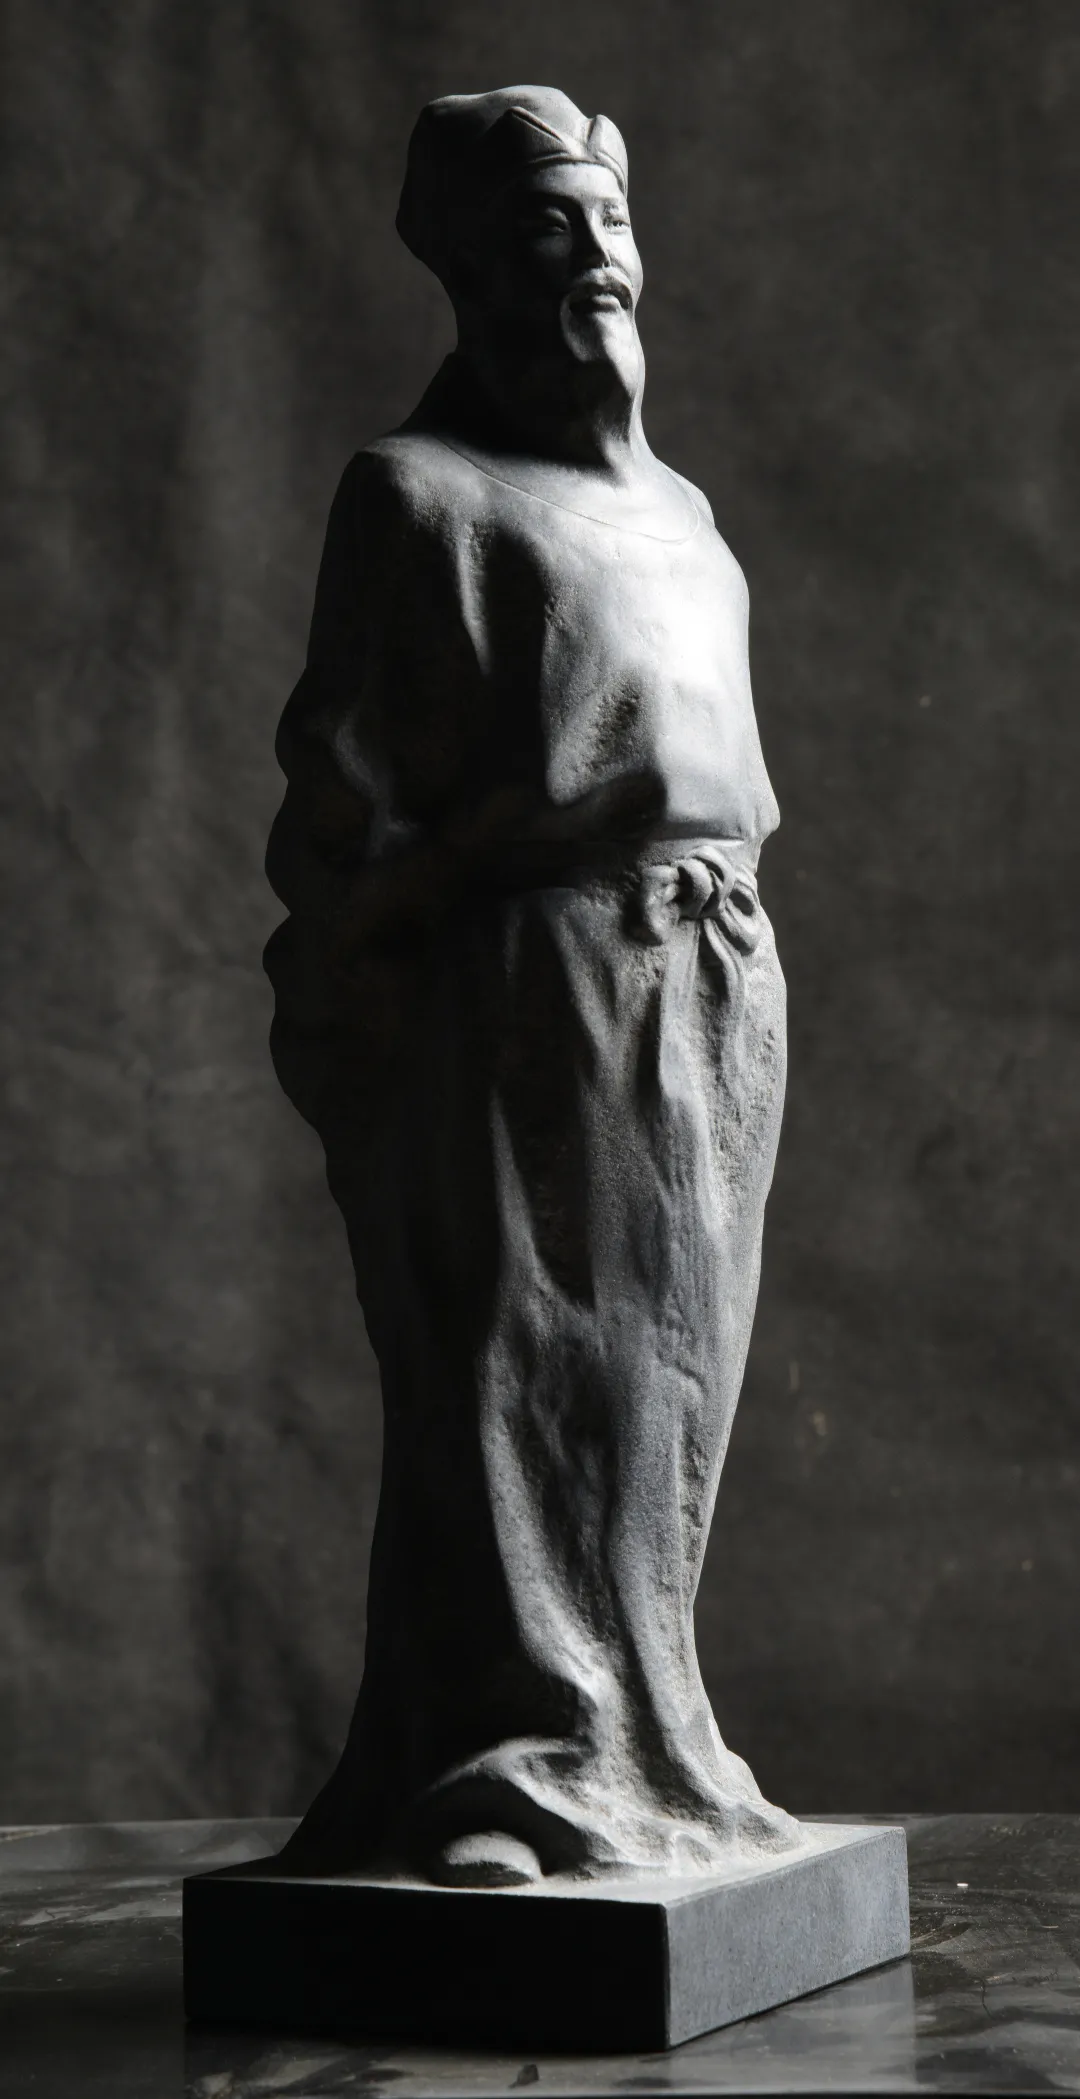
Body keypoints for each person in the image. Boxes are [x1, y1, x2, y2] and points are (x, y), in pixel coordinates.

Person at [265, 86, 798, 1888]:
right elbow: (343, 798)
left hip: (716, 976)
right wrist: (446, 918)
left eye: (610, 226)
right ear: (472, 271)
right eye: (547, 232)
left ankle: (646, 1736)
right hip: (532, 989)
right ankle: (512, 1767)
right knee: (518, 1363)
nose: (595, 263)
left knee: (664, 1392)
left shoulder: (689, 516)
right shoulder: (419, 497)